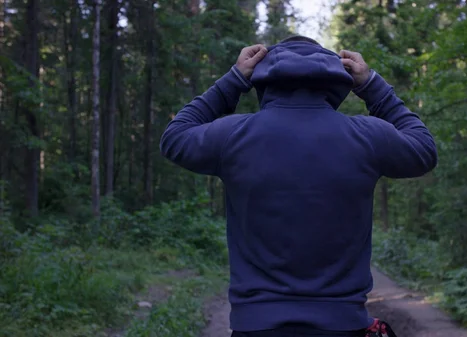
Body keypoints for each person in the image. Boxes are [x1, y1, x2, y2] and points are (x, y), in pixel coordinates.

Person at [159, 35, 437, 337]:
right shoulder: (366, 137)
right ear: (334, 81)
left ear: (265, 79)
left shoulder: (234, 136)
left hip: (257, 326)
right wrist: (372, 85)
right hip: (342, 325)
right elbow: (424, 149)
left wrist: (234, 79)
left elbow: (174, 137)